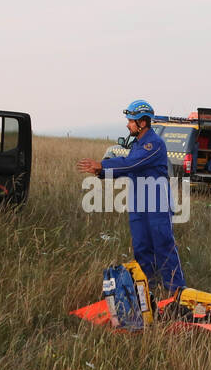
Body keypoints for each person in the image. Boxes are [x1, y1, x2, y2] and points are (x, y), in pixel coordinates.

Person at [76, 100, 186, 292]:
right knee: (141, 248)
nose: (128, 125)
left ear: (142, 122)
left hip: (156, 204)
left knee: (163, 247)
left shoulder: (154, 143)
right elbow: (128, 169)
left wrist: (102, 164)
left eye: (131, 121)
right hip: (138, 204)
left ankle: (176, 292)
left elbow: (131, 163)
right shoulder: (137, 144)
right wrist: (100, 173)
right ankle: (147, 291)